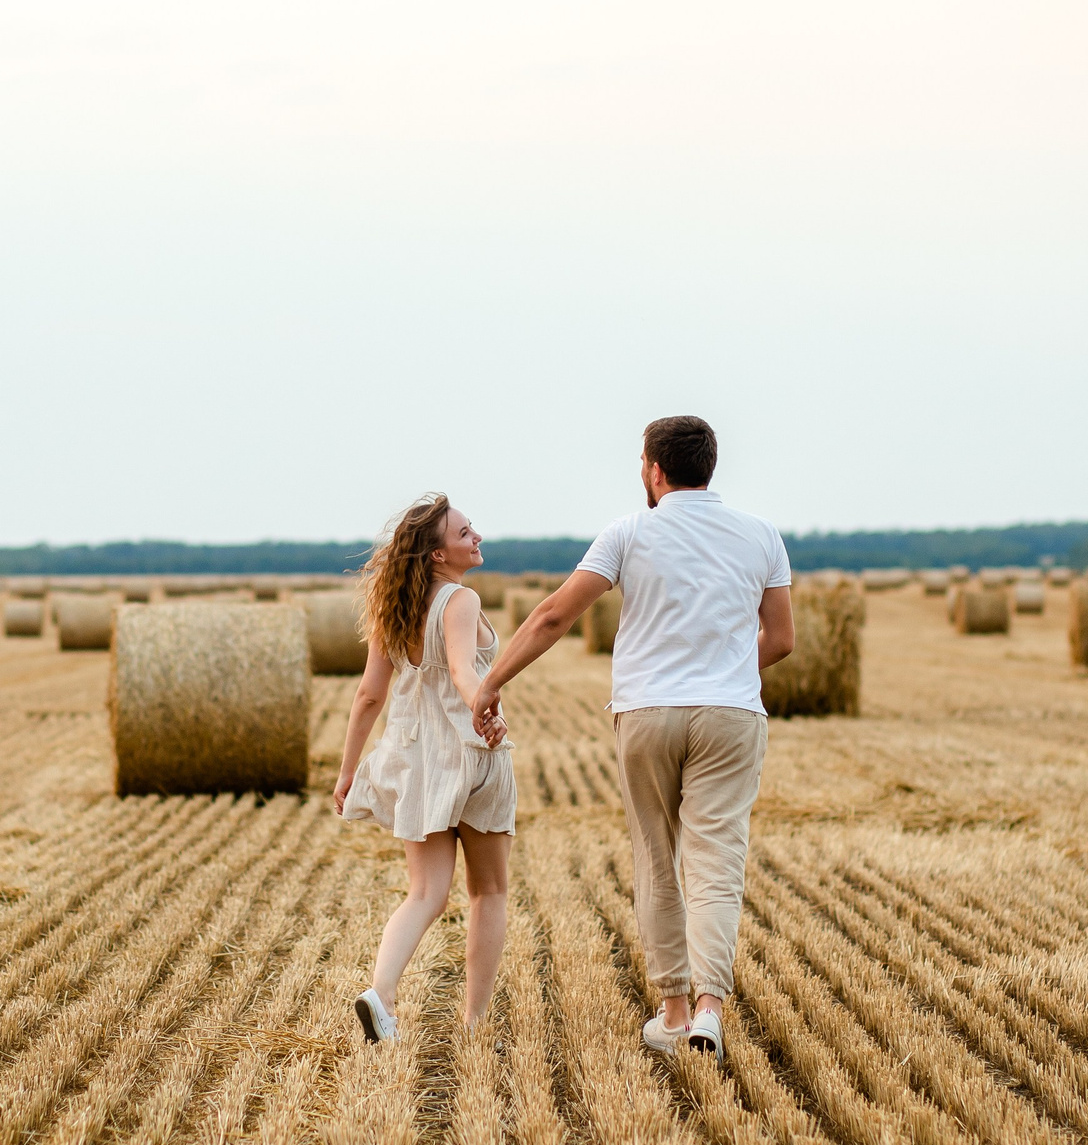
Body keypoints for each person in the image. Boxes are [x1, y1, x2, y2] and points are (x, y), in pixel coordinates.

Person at [473, 416, 793, 1061]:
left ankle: (672, 1011)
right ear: (710, 467)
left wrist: (491, 683)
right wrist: (725, 671)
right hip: (730, 715)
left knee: (657, 857)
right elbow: (782, 639)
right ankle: (710, 1007)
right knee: (717, 862)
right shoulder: (762, 535)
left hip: (647, 713)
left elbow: (554, 614)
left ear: (653, 469)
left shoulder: (629, 531)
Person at [334, 494, 517, 1044]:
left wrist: (347, 772)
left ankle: (382, 994)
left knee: (424, 894)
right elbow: (463, 670)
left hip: (415, 763)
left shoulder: (394, 609)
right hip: (470, 756)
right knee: (488, 891)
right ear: (438, 555)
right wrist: (482, 708)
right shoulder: (460, 599)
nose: (476, 537)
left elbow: (368, 696)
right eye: (464, 533)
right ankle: (476, 1021)